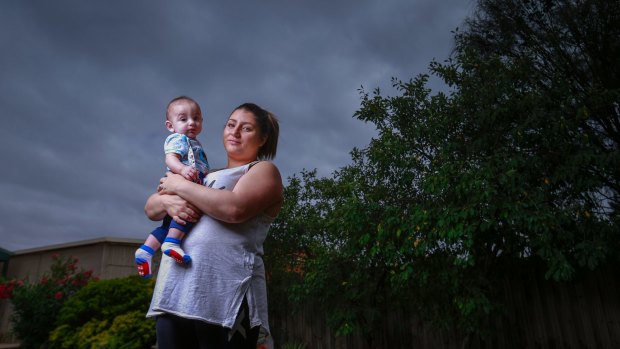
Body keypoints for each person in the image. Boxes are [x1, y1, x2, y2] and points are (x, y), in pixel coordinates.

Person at [144, 102, 282, 349]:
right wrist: (168, 201)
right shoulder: (203, 175)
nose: (235, 132)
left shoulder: (262, 170)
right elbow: (151, 208)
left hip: (223, 298)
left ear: (263, 138)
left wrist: (178, 186)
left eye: (246, 128)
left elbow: (234, 209)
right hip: (175, 294)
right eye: (231, 125)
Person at [135, 96, 210, 279]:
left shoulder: (194, 143)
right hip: (182, 179)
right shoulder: (178, 138)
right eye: (184, 119)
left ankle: (146, 250)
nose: (191, 123)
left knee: (168, 223)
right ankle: (171, 242)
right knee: (187, 212)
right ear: (170, 125)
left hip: (187, 179)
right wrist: (182, 169)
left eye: (196, 118)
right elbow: (170, 159)